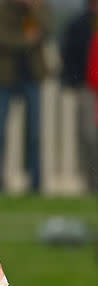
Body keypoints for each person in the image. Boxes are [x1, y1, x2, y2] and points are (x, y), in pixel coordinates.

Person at [0, 0, 51, 191]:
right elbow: (2, 37)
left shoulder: (39, 8)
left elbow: (48, 30)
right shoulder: (2, 9)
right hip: (6, 77)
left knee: (35, 133)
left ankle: (36, 183)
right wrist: (27, 40)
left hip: (32, 76)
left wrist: (34, 11)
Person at [61, 0, 98, 191]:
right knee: (89, 136)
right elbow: (70, 53)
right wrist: (73, 79)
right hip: (88, 87)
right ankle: (92, 183)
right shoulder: (80, 24)